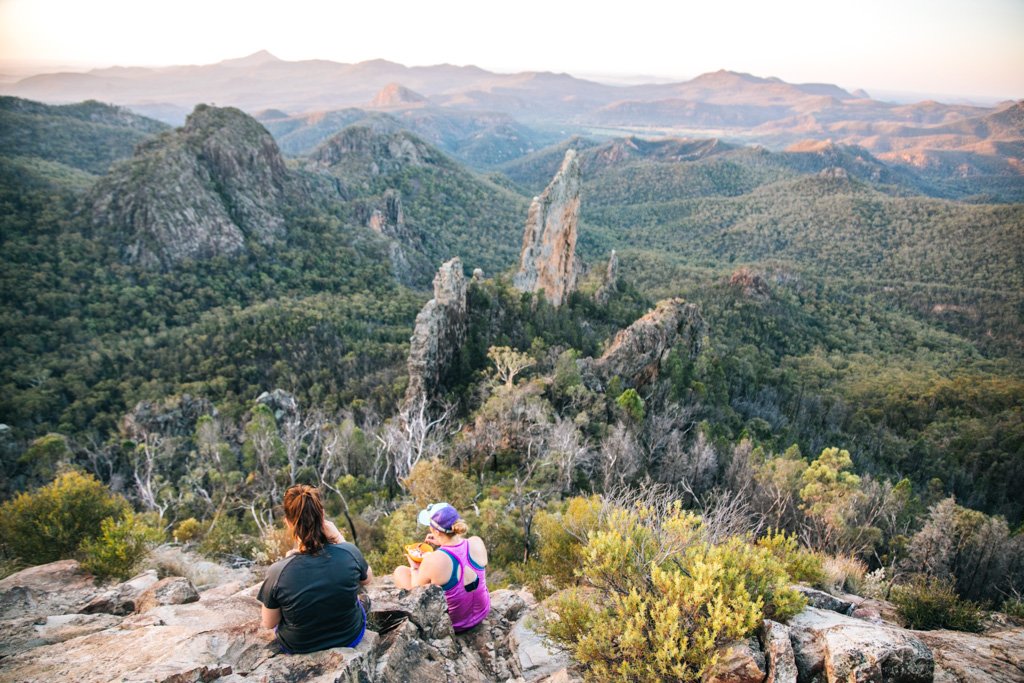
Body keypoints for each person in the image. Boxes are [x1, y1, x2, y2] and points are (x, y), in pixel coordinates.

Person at [257, 484, 374, 653]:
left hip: (299, 645)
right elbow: (368, 578)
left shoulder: (278, 571)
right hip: (349, 636)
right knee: (360, 597)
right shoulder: (349, 552)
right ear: (323, 516)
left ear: (288, 523)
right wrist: (339, 539)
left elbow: (269, 623)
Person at [392, 502, 490, 632]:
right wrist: (442, 541)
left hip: (456, 624)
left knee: (400, 572)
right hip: (482, 613)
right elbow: (460, 553)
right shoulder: (476, 542)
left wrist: (415, 568)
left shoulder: (433, 559)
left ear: (435, 531)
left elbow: (416, 591)